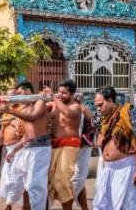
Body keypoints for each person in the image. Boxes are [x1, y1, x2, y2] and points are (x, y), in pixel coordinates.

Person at [93, 86, 136, 210]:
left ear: (110, 100)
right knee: (102, 203)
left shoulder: (128, 113)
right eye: (97, 106)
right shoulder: (102, 117)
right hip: (107, 168)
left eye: (100, 105)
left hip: (126, 168)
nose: (98, 109)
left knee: (127, 205)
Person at [3, 80, 51, 210]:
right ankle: (9, 205)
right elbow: (28, 135)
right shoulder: (25, 108)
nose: (18, 96)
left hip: (40, 149)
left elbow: (33, 117)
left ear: (28, 92)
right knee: (16, 179)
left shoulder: (39, 102)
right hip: (27, 149)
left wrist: (11, 111)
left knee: (33, 184)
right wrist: (14, 150)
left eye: (19, 93)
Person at [47, 79, 82, 210]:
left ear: (72, 94)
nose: (60, 95)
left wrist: (54, 98)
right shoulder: (55, 104)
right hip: (54, 145)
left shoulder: (76, 107)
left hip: (70, 146)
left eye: (64, 93)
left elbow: (68, 113)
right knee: (51, 180)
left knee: (61, 180)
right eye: (59, 92)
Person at [0, 88, 25, 210]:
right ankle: (11, 205)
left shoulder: (22, 109)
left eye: (12, 97)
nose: (9, 100)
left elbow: (26, 132)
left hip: (20, 149)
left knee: (18, 178)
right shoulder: (7, 111)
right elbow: (2, 131)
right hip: (9, 149)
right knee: (8, 178)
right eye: (8, 98)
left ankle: (13, 206)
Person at [71, 94, 95, 210]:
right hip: (66, 150)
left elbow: (92, 129)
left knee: (78, 180)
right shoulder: (64, 110)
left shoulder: (85, 111)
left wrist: (76, 143)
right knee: (75, 182)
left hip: (81, 150)